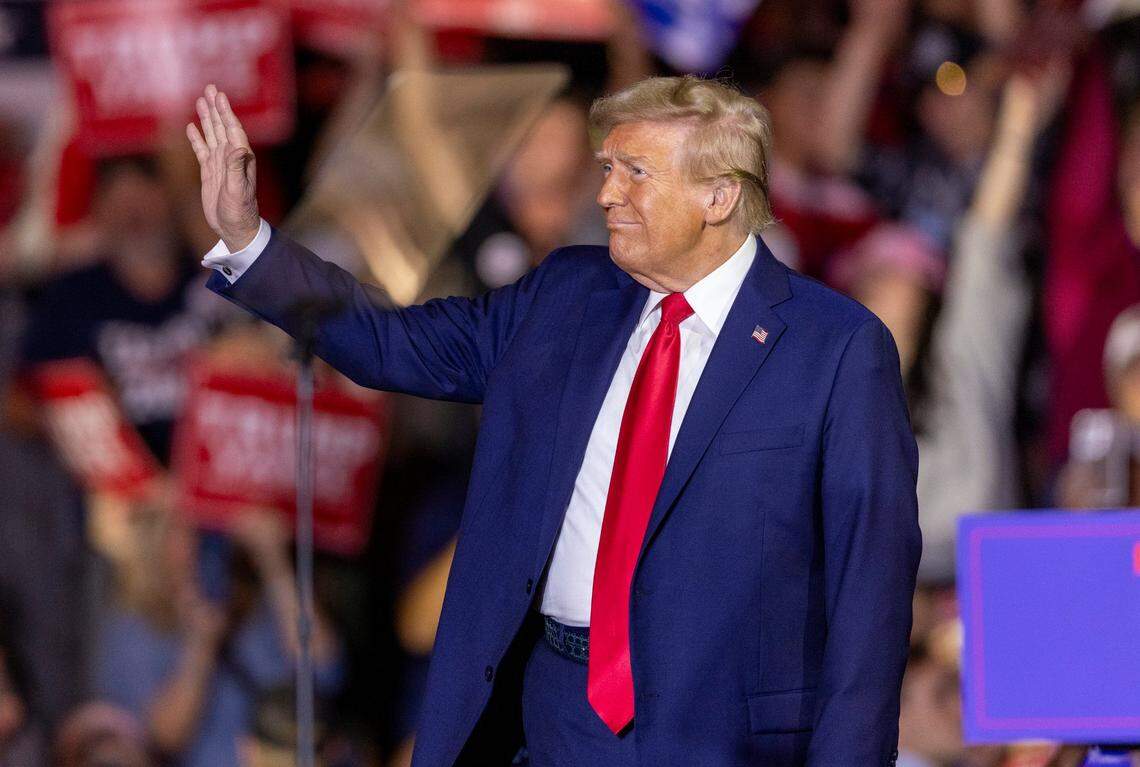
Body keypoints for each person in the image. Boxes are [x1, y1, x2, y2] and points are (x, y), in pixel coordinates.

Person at [187, 76, 920, 766]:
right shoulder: (565, 295)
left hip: (724, 735)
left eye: (635, 172)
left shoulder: (835, 348)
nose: (605, 194)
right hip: (552, 713)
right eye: (607, 168)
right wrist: (252, 242)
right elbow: (392, 342)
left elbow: (869, 598)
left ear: (719, 196)